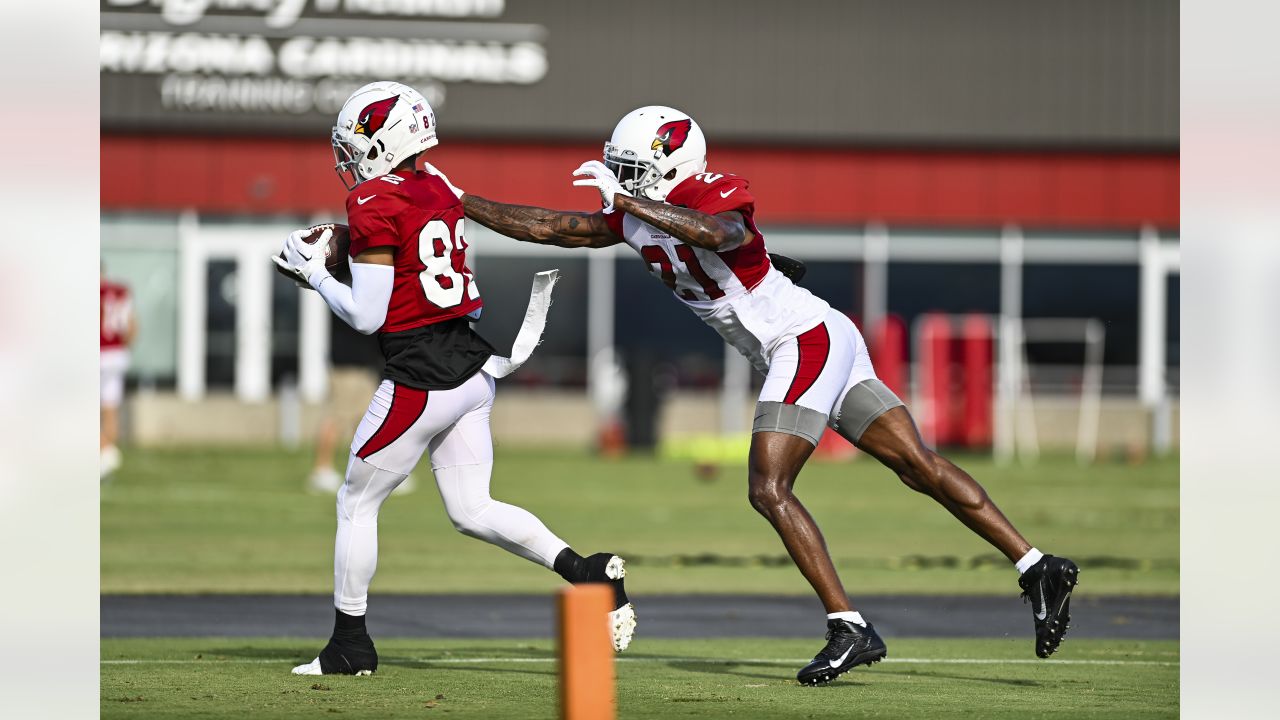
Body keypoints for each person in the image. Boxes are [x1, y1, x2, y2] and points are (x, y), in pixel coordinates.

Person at [440, 105, 1079, 685]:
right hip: (813, 339)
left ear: (672, 164)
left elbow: (718, 235)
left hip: (805, 341)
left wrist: (631, 206)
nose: (624, 182)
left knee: (768, 487)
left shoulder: (710, 191)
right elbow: (554, 226)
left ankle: (848, 626)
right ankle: (1037, 565)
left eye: (634, 171)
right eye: (621, 172)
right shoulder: (637, 214)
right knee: (919, 466)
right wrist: (460, 200)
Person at [272, 81, 635, 677]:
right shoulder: (437, 183)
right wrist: (340, 251)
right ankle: (588, 572)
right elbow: (412, 249)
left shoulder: (371, 201)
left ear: (379, 141)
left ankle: (349, 645)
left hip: (420, 374)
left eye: (354, 143)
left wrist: (315, 273)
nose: (347, 158)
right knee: (471, 508)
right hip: (471, 367)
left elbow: (368, 315)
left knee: (355, 502)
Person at [100, 266, 136, 478]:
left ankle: (106, 450)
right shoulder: (121, 291)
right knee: (110, 407)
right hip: (117, 354)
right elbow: (131, 327)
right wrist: (123, 349)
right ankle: (106, 461)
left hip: (99, 352)